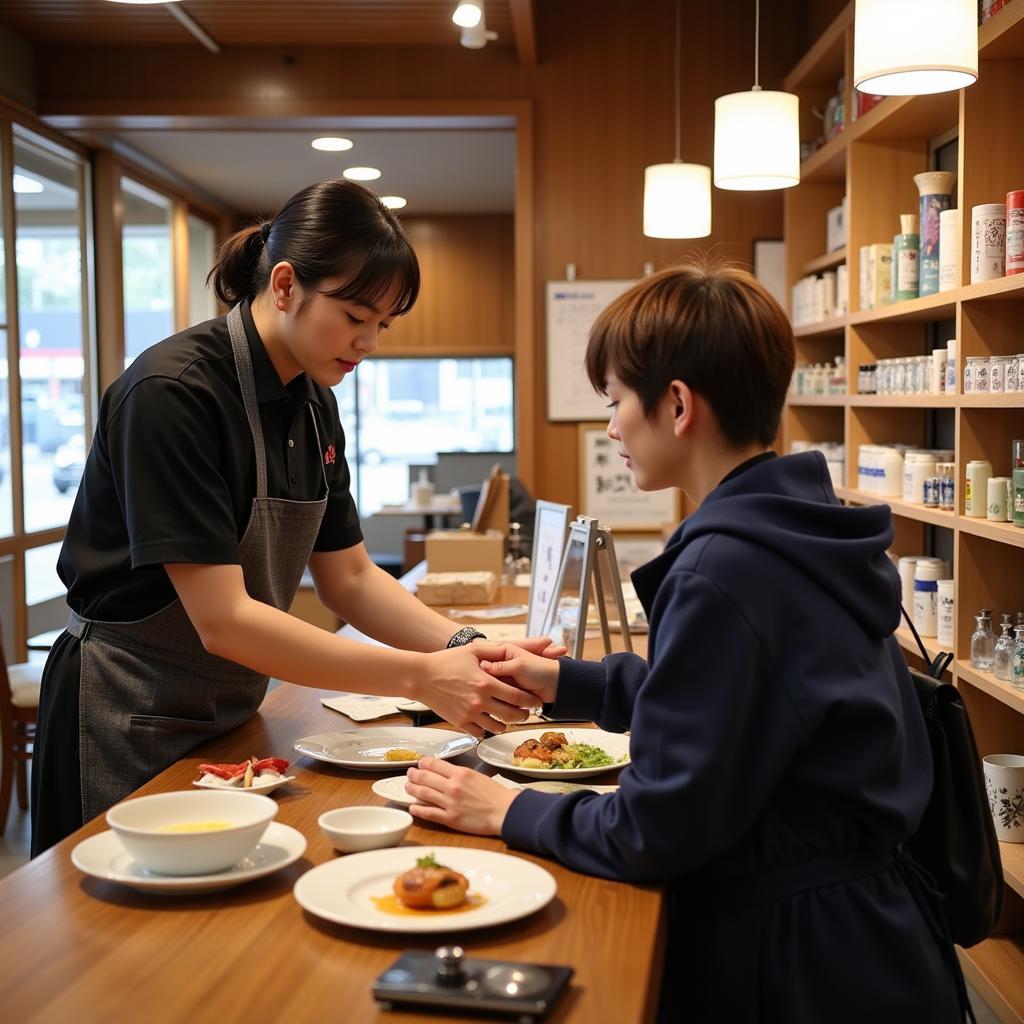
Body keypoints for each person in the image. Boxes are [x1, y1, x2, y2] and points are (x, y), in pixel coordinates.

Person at [405, 259, 967, 1022]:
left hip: (802, 960)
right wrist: (572, 684)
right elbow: (754, 698)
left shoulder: (726, 565)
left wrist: (505, 808)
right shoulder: (796, 527)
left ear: (675, 405)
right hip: (875, 931)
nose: (609, 428)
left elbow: (655, 829)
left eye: (614, 401)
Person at [31, 178, 559, 856]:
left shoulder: (314, 400)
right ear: (284, 285)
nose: (368, 341)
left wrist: (464, 647)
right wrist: (419, 676)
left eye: (383, 325)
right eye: (355, 315)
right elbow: (222, 620)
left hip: (228, 708)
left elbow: (352, 579)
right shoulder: (173, 393)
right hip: (126, 708)